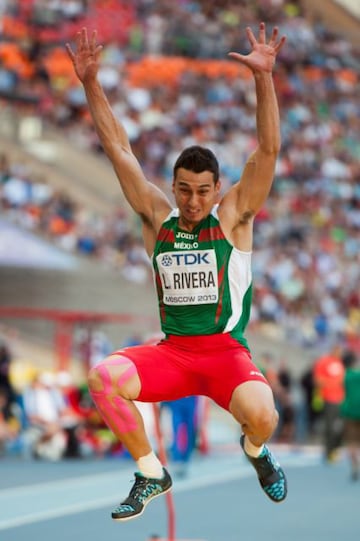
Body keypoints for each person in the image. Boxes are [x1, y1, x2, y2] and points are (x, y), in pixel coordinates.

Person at [66, 22, 287, 521]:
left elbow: (268, 152)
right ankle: (149, 471)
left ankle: (255, 452)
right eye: (183, 189)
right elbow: (119, 149)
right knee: (103, 379)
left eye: (202, 191)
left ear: (217, 189)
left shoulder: (233, 218)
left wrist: (263, 78)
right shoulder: (156, 218)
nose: (191, 201)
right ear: (173, 184)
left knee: (264, 417)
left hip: (225, 353)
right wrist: (91, 83)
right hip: (175, 353)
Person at [313, 344, 345, 462]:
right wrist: (333, 383)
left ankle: (335, 448)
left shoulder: (341, 364)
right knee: (330, 427)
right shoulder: (324, 362)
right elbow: (318, 380)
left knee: (342, 427)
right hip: (329, 398)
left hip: (342, 399)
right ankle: (329, 452)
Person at [340, 350, 360, 481]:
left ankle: (354, 465)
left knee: (351, 442)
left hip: (349, 411)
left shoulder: (345, 376)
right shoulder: (358, 375)